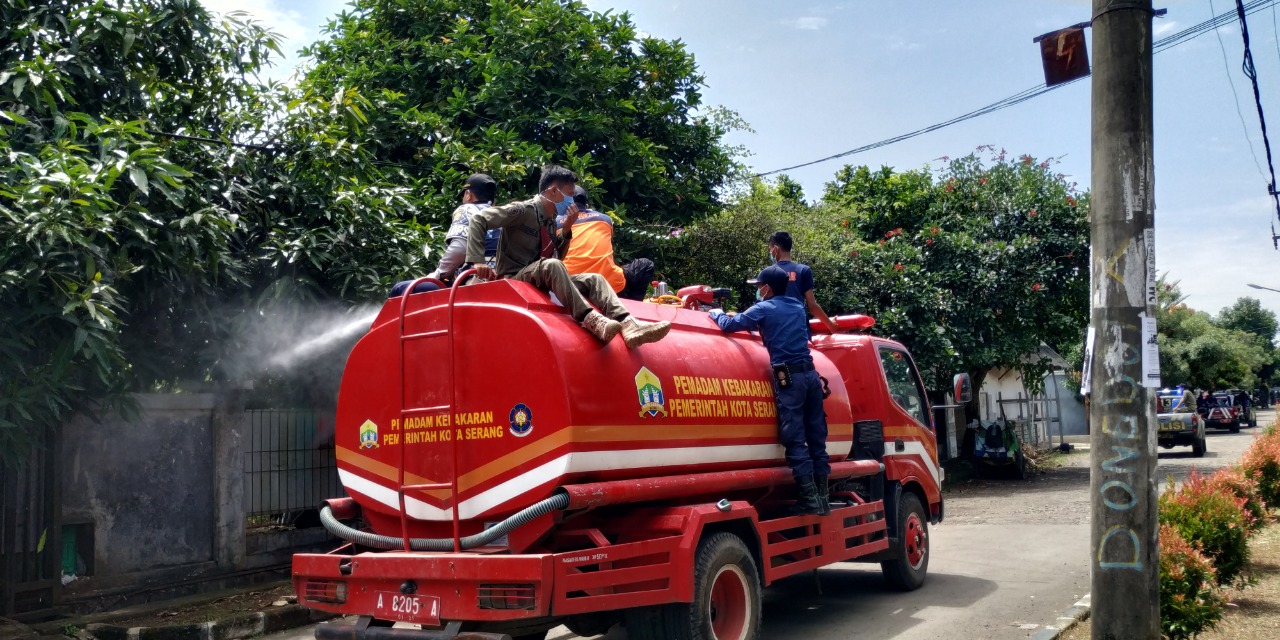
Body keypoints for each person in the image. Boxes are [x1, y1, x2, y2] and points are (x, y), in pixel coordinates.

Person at [465, 165, 671, 348]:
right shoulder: (522, 210)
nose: (571, 200)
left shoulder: (552, 221)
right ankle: (591, 320)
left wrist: (568, 229)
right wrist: (477, 261)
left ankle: (628, 323)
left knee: (594, 279)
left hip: (538, 278)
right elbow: (478, 220)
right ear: (553, 191)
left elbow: (557, 259)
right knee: (551, 265)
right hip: (514, 278)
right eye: (569, 194)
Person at [709, 265, 831, 516]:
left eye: (758, 287)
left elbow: (732, 325)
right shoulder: (798, 307)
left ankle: (808, 499)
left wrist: (717, 313)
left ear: (767, 288)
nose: (758, 291)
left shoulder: (764, 308)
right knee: (817, 437)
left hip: (790, 379)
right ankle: (823, 499)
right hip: (810, 374)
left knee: (794, 436)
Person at [557, 186, 656, 300]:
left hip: (570, 286)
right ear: (587, 206)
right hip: (610, 287)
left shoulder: (555, 223)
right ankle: (631, 306)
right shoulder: (605, 219)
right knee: (645, 264)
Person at [428, 173, 501, 281]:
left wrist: (439, 273)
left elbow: (459, 249)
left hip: (474, 280)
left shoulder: (467, 209)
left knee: (401, 288)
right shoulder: (502, 214)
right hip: (503, 279)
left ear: (468, 194)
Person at [767, 231, 838, 333]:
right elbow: (812, 306)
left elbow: (761, 304)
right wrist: (831, 325)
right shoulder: (803, 270)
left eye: (770, 249)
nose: (770, 253)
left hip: (776, 330)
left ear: (775, 249)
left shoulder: (768, 273)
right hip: (799, 330)